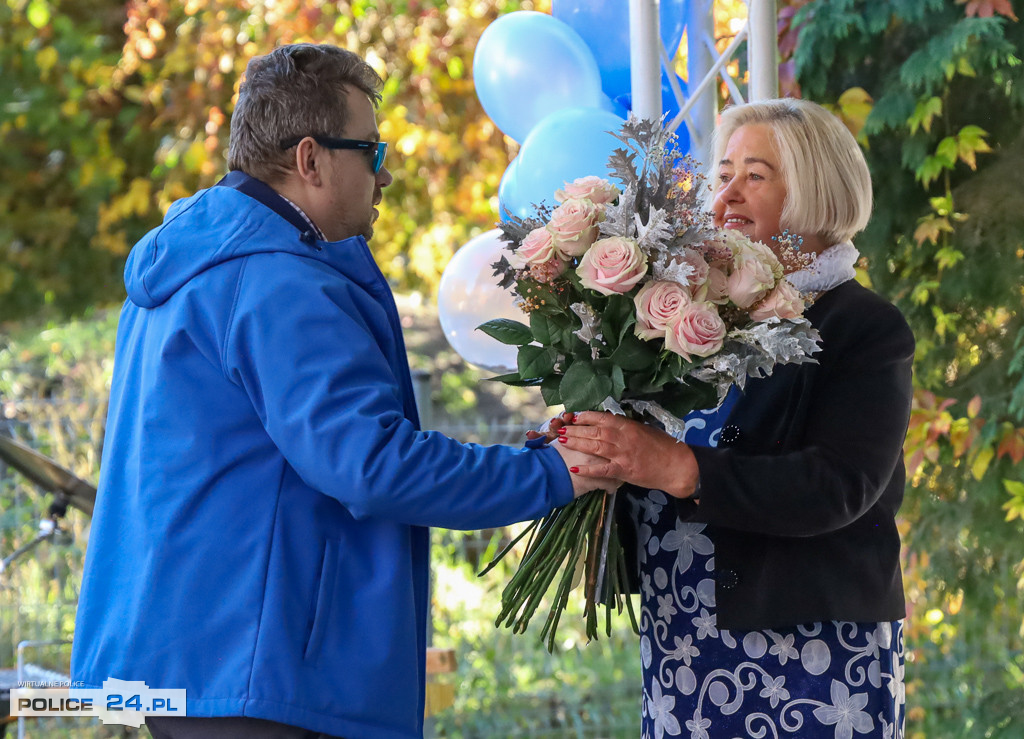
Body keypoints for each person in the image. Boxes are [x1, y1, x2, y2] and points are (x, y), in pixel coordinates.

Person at [70, 43, 611, 739]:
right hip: (262, 671)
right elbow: (373, 466)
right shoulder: (275, 279)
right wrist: (552, 473)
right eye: (373, 152)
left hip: (190, 659)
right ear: (311, 159)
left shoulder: (191, 256)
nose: (384, 176)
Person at [557, 98, 914, 738]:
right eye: (723, 174)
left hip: (812, 649)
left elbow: (840, 485)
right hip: (684, 640)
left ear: (816, 190)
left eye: (755, 174)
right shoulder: (687, 313)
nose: (728, 194)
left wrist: (680, 468)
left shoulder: (863, 327)